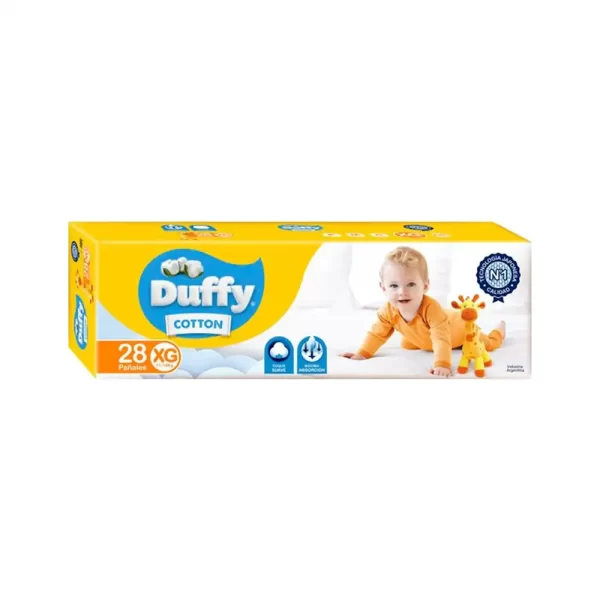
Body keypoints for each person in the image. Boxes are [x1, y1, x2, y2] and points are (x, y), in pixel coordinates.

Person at [341, 246, 505, 377]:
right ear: (383, 288)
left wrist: (442, 364)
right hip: (424, 338)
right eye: (394, 286)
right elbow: (377, 334)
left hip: (460, 328)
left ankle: (499, 330)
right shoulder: (387, 311)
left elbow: (440, 339)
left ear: (425, 286)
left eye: (411, 284)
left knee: (489, 345)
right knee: (406, 344)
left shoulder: (431, 309)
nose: (402, 292)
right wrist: (362, 354)